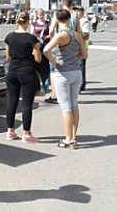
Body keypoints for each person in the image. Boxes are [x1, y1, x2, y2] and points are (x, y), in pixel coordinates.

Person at [44, 9, 87, 148]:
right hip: (76, 72)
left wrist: (54, 62)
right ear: (70, 19)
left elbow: (46, 50)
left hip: (63, 73)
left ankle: (68, 139)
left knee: (65, 107)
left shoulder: (60, 36)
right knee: (74, 104)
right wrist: (74, 58)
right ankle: (74, 137)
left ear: (57, 20)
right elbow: (84, 54)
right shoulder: (77, 35)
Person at [3, 11, 42, 143]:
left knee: (12, 102)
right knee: (26, 104)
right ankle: (26, 134)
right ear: (28, 22)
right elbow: (38, 59)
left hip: (12, 71)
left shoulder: (9, 37)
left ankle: (10, 131)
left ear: (16, 22)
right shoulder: (32, 39)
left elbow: (8, 56)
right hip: (27, 72)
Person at [45, 0, 81, 104]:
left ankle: (54, 95)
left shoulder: (57, 15)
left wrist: (53, 42)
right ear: (72, 5)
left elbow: (51, 31)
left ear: (62, 4)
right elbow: (78, 33)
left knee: (53, 71)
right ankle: (69, 94)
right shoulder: (75, 17)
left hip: (59, 45)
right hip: (72, 46)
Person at [29, 8, 51, 95]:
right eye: (39, 15)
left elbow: (51, 34)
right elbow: (31, 34)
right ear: (37, 15)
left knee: (45, 67)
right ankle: (36, 86)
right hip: (36, 47)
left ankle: (45, 86)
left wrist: (46, 37)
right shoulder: (34, 24)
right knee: (35, 67)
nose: (41, 16)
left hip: (45, 46)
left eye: (42, 14)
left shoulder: (47, 24)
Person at [73, 6, 91, 91]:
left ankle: (81, 85)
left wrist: (78, 39)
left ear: (82, 12)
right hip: (74, 46)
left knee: (81, 66)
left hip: (81, 47)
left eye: (78, 11)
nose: (76, 13)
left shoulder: (84, 21)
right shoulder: (73, 20)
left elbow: (86, 34)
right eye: (75, 11)